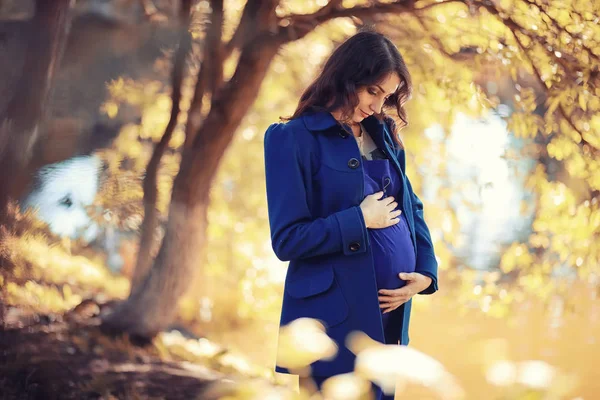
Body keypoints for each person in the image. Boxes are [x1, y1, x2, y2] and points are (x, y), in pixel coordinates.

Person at [263, 30, 439, 399]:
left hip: (389, 314)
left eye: (387, 96)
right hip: (331, 319)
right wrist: (360, 219)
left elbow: (412, 205)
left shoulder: (384, 132)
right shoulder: (291, 138)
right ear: (347, 77)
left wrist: (424, 272)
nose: (378, 105)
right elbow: (287, 239)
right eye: (373, 91)